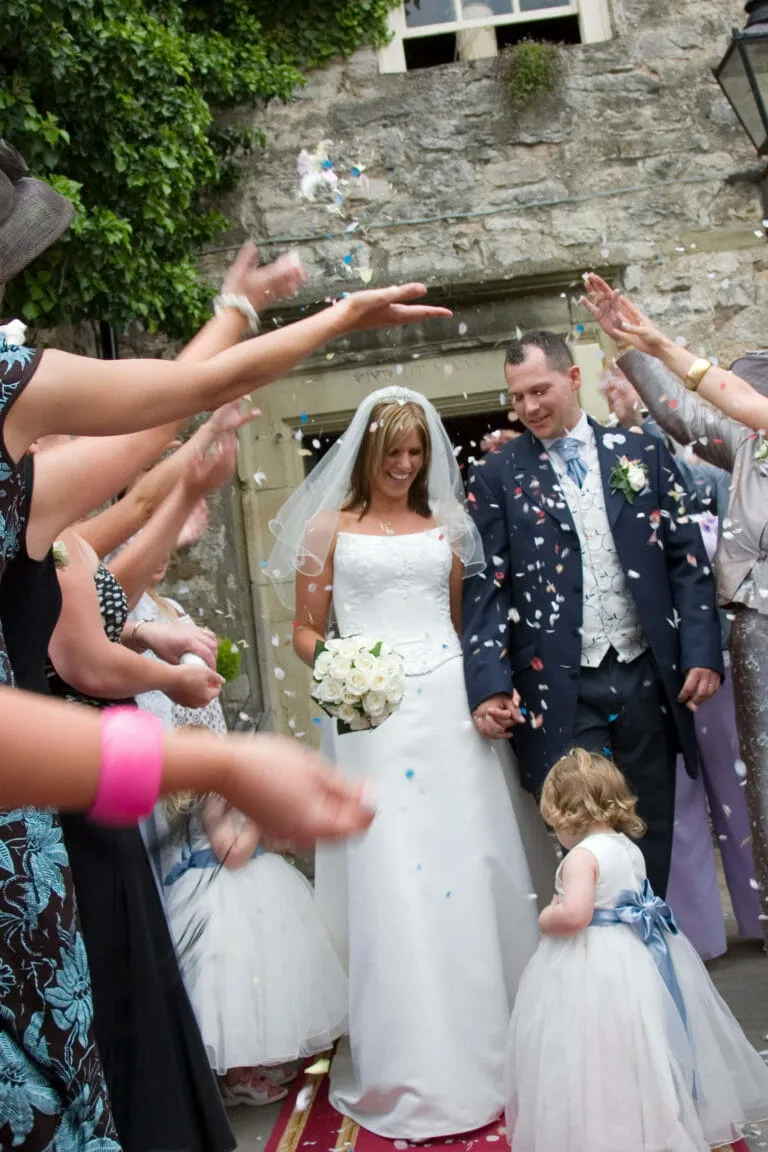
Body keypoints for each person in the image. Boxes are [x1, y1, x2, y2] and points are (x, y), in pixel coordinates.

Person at [0, 133, 430, 1148]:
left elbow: (160, 417)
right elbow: (151, 440)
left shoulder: (20, 433)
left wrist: (272, 319)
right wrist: (214, 756)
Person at [271, 385, 555, 1141]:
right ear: (368, 453)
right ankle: (409, 1053)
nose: (404, 465)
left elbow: (472, 628)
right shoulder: (327, 528)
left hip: (444, 712)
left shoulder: (449, 527)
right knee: (391, 873)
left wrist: (487, 697)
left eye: (415, 452)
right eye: (392, 453)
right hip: (369, 721)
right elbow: (305, 629)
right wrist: (341, 666)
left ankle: (492, 1044)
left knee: (465, 867)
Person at [462, 330, 724, 898]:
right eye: (518, 397)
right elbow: (487, 589)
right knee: (583, 832)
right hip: (559, 685)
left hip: (645, 673)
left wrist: (701, 651)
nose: (529, 407)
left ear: (573, 378)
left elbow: (687, 561)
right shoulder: (496, 476)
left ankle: (647, 959)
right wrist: (487, 684)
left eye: (540, 390)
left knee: (647, 826)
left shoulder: (641, 453)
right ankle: (598, 956)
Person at [584, 274, 768, 948]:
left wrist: (656, 337)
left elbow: (706, 390)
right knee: (764, 787)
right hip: (754, 630)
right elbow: (681, 411)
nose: (736, 402)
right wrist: (632, 351)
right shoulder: (743, 446)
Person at [505, 747, 768, 1152]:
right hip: (634, 956)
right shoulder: (626, 847)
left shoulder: (581, 858)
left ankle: (600, 1129)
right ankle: (652, 1120)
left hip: (591, 964)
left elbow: (575, 916)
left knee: (589, 1045)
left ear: (566, 813)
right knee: (638, 1040)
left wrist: (547, 916)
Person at [163, 796, 348, 1107]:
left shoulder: (225, 793)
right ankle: (235, 1077)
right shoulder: (215, 798)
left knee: (259, 981)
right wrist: (257, 818)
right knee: (232, 988)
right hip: (222, 894)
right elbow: (230, 851)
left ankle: (248, 1061)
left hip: (246, 886)